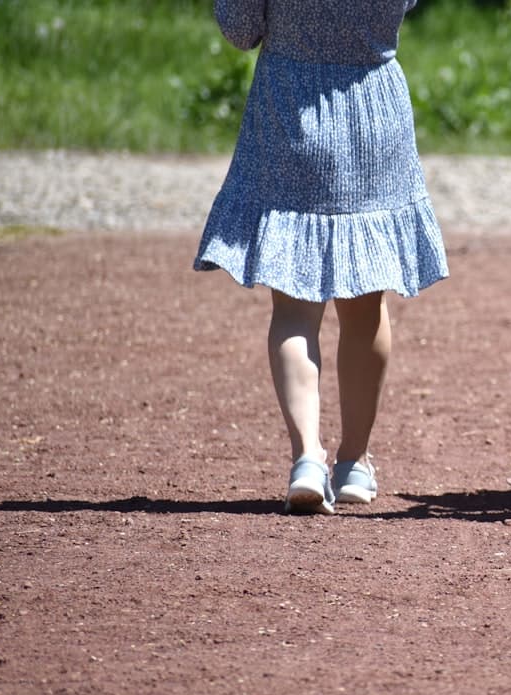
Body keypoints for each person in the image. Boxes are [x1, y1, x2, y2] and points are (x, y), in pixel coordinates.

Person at [194, 0, 449, 514]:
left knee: (293, 310)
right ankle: (353, 462)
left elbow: (240, 30)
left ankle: (307, 458)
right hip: (374, 111)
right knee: (365, 307)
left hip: (290, 111)